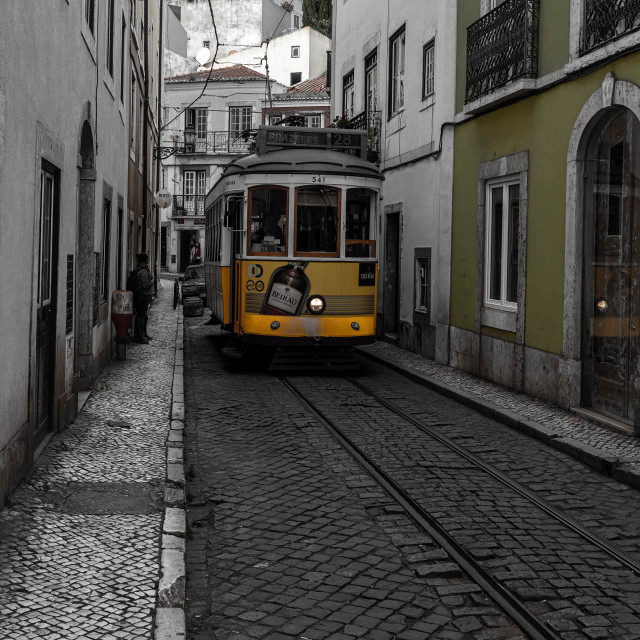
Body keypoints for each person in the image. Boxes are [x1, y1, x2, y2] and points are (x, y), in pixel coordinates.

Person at [133, 253, 154, 344]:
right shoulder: (143, 271)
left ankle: (142, 334)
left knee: (143, 316)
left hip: (138, 295)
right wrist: (152, 282)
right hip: (143, 295)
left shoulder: (138, 269)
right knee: (141, 317)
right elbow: (145, 285)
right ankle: (139, 337)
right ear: (145, 260)